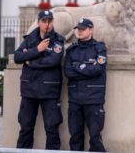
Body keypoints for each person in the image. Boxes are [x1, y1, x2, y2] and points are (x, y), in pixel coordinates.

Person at [14, 10, 65, 149]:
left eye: (49, 21)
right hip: (29, 91)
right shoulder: (30, 39)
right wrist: (37, 49)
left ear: (53, 22)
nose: (47, 24)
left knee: (52, 128)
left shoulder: (58, 40)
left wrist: (30, 61)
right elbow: (17, 57)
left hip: (49, 91)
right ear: (39, 22)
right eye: (44, 21)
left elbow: (53, 61)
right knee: (25, 127)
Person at [64, 18, 108, 152]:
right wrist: (86, 68)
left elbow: (98, 69)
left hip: (93, 99)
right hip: (75, 99)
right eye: (78, 29)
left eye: (83, 29)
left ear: (91, 30)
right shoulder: (72, 50)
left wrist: (77, 67)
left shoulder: (99, 48)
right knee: (75, 136)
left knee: (95, 137)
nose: (80, 32)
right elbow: (67, 72)